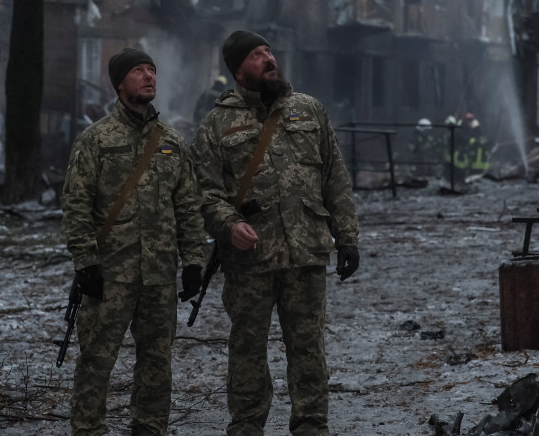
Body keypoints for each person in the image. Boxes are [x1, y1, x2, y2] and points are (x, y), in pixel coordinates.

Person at [192, 30, 359, 436]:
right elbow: (204, 192)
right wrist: (228, 226)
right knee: (247, 349)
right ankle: (247, 425)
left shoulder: (309, 110)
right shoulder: (217, 124)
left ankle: (311, 425)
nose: (268, 58)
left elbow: (335, 178)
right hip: (250, 260)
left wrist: (348, 236)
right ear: (238, 70)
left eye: (268, 51)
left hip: (306, 253)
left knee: (308, 347)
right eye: (255, 54)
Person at [60, 47, 207, 436]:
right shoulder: (96, 140)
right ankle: (88, 428)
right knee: (96, 359)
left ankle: (149, 426)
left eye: (153, 70)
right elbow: (76, 204)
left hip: (158, 275)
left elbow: (188, 206)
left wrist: (193, 261)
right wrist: (85, 261)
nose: (149, 77)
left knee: (157, 361)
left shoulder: (172, 142)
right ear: (120, 82)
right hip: (110, 274)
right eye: (139, 71)